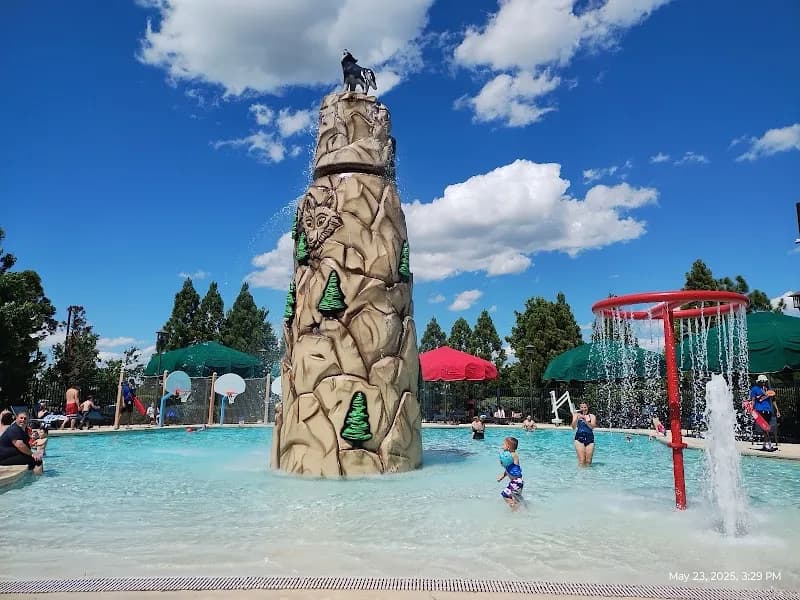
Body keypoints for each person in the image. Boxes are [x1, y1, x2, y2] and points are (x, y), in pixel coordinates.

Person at [497, 437, 524, 510]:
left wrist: (503, 460)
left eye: (503, 444)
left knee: (505, 494)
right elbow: (509, 469)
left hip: (516, 482)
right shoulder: (509, 455)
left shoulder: (513, 455)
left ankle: (514, 508)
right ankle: (520, 510)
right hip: (516, 482)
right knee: (515, 498)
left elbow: (513, 467)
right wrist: (502, 476)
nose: (502, 446)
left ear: (508, 447)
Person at [750, 374, 774, 451]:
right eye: (763, 381)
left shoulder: (754, 389)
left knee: (764, 429)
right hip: (768, 410)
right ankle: (764, 445)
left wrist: (751, 410)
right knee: (765, 428)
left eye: (764, 381)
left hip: (760, 410)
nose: (763, 383)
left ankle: (770, 445)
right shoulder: (767, 389)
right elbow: (772, 398)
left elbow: (753, 401)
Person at [571, 402, 596, 466]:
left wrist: (585, 421)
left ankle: (588, 475)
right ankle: (581, 475)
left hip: (590, 439)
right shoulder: (576, 415)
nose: (583, 409)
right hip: (579, 439)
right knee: (582, 460)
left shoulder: (592, 416)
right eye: (582, 407)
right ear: (580, 408)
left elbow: (592, 427)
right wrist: (577, 419)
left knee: (588, 461)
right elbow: (573, 427)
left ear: (587, 408)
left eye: (585, 407)